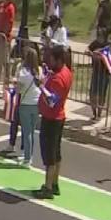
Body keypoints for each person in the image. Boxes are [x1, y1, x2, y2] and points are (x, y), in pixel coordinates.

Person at [35, 46, 72, 199]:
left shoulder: (58, 79)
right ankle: (55, 183)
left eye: (51, 58)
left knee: (49, 155)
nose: (49, 61)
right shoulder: (66, 72)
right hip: (58, 117)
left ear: (58, 59)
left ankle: (48, 187)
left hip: (52, 118)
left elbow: (52, 101)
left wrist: (41, 87)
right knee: (56, 152)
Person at [14, 47, 42, 166]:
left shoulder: (23, 72)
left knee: (27, 132)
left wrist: (15, 84)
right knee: (31, 130)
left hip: (26, 103)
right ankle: (28, 155)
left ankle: (27, 159)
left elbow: (18, 90)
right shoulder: (39, 70)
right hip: (37, 103)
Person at [88, 28, 111, 121]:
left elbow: (106, 52)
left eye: (100, 34)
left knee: (102, 94)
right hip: (95, 72)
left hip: (104, 73)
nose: (98, 36)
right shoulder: (95, 43)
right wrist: (90, 53)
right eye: (98, 34)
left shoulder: (109, 44)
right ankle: (94, 113)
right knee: (92, 93)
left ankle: (99, 113)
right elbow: (88, 49)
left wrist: (97, 53)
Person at [0, 0, 16, 79]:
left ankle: (7, 79)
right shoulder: (2, 6)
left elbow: (9, 23)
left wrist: (3, 34)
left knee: (5, 60)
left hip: (4, 37)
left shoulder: (10, 7)